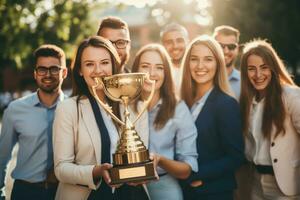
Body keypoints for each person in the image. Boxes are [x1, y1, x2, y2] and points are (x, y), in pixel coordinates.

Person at [53, 36, 149, 200]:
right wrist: (95, 171)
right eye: (89, 64)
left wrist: (143, 168)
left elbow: (141, 155)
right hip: (87, 195)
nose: (98, 70)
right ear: (80, 70)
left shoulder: (134, 107)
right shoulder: (67, 109)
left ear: (113, 65)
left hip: (131, 195)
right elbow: (61, 169)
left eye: (104, 62)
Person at [180, 35, 244, 200]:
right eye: (194, 59)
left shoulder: (226, 104)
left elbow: (235, 157)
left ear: (218, 63)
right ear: (187, 63)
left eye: (208, 59)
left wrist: (195, 175)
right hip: (184, 192)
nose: (200, 66)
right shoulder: (182, 102)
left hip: (213, 192)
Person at [0, 44, 68, 200]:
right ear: (35, 74)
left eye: (54, 69)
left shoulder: (75, 109)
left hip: (64, 191)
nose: (47, 74)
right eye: (42, 69)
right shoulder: (15, 110)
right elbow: (2, 157)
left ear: (64, 72)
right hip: (25, 192)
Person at [131, 43, 198, 200]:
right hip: (126, 186)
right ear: (136, 70)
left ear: (166, 72)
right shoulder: (122, 105)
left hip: (163, 184)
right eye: (145, 66)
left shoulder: (178, 108)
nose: (152, 73)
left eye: (159, 68)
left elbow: (187, 168)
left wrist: (160, 160)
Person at [239, 39, 300, 199]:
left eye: (264, 67)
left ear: (273, 68)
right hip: (256, 183)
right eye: (251, 69)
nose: (258, 75)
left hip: (286, 185)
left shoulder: (291, 96)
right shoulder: (247, 101)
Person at [213, 25, 241, 99]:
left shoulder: (245, 82)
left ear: (237, 49)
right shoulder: (201, 79)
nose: (225, 51)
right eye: (220, 46)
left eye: (231, 46)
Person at [160, 22, 189, 94]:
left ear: (188, 42)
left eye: (180, 41)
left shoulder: (197, 69)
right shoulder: (158, 72)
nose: (175, 46)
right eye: (169, 42)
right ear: (162, 45)